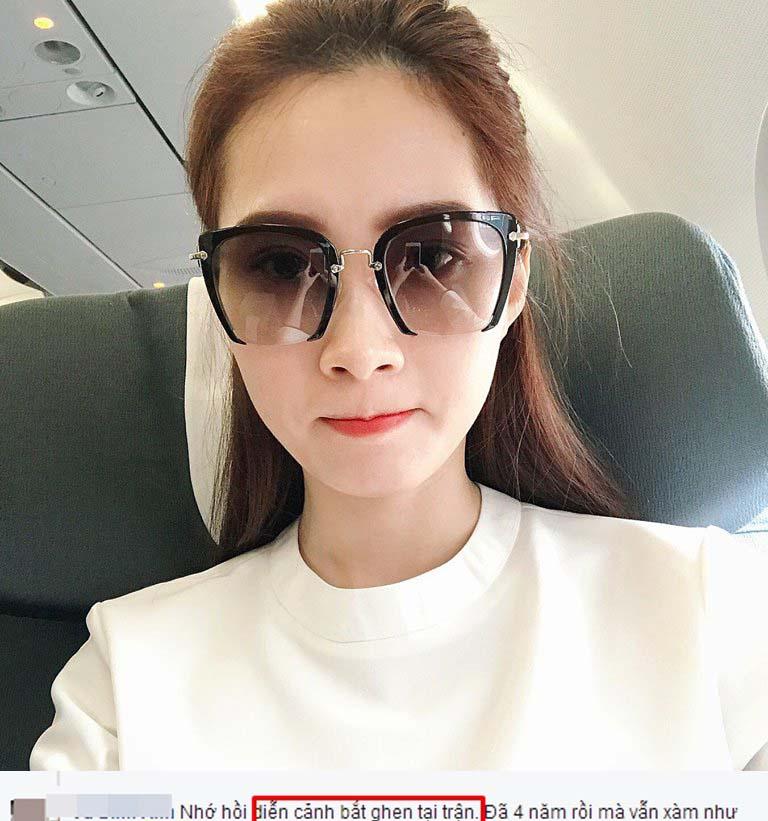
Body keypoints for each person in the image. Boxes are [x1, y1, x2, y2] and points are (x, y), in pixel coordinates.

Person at [30, 0, 767, 772]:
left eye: (434, 256)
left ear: (514, 281)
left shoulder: (712, 613)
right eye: (279, 264)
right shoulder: (123, 685)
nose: (358, 351)